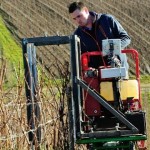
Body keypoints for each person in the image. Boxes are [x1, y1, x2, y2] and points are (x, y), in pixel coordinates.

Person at [68, 1, 131, 77]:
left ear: (86, 10)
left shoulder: (107, 20)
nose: (78, 21)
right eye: (74, 19)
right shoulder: (78, 35)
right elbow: (79, 57)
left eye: (79, 16)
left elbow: (126, 38)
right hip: (97, 76)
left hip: (119, 70)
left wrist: (110, 49)